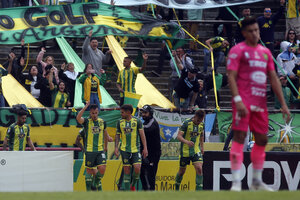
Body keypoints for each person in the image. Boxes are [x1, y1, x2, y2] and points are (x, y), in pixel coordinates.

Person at [226, 16, 290, 191]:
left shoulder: (265, 52)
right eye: (251, 31)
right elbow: (230, 75)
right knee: (239, 137)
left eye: (257, 30)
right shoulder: (237, 50)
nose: (255, 33)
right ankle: (237, 183)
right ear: (244, 33)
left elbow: (274, 78)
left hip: (260, 102)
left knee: (261, 139)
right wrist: (237, 99)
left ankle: (255, 180)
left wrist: (283, 104)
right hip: (243, 101)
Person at [76, 101, 112, 191]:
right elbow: (78, 118)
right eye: (92, 113)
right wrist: (85, 107)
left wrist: (107, 142)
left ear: (98, 112)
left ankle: (95, 183)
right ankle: (90, 192)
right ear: (90, 113)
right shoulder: (87, 121)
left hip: (100, 150)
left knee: (102, 169)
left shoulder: (102, 122)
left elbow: (105, 131)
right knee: (89, 171)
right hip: (90, 151)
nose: (94, 115)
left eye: (96, 113)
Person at [114, 104, 148, 191]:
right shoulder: (119, 122)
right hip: (124, 150)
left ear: (128, 112)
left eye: (122, 112)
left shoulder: (137, 121)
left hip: (135, 149)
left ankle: (132, 184)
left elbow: (142, 135)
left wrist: (145, 148)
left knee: (137, 169)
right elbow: (117, 135)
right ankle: (127, 193)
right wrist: (116, 147)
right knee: (127, 170)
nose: (121, 114)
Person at [175, 109, 205, 191]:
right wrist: (186, 142)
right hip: (185, 151)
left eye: (201, 120)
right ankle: (176, 189)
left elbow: (201, 136)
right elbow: (179, 136)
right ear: (195, 117)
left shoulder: (202, 124)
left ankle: (198, 193)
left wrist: (202, 147)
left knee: (199, 168)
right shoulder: (186, 123)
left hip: (196, 150)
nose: (199, 122)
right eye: (198, 120)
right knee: (181, 172)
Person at [140, 105, 161, 191]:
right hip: (145, 152)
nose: (143, 114)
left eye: (145, 113)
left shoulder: (152, 122)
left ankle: (151, 193)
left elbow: (147, 129)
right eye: (142, 113)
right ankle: (146, 191)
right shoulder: (144, 123)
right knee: (141, 173)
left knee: (151, 175)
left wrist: (137, 126)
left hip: (153, 154)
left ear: (150, 113)